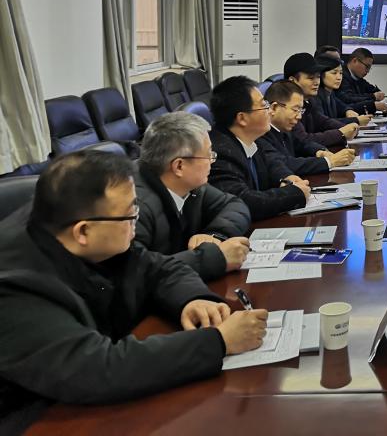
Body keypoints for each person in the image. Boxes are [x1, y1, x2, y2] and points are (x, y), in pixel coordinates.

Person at [0, 152, 267, 429]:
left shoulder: (80, 227)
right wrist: (218, 342)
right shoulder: (14, 287)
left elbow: (158, 268)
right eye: (130, 216)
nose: (135, 225)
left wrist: (193, 299)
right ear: (83, 232)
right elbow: (95, 369)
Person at [135, 112, 252, 281]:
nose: (212, 160)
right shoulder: (134, 207)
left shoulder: (190, 186)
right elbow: (137, 274)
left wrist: (214, 236)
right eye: (208, 154)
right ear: (179, 166)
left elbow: (234, 205)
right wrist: (214, 258)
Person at [208, 76, 310, 220]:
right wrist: (294, 194)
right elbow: (243, 201)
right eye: (264, 105)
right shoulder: (220, 153)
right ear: (242, 118)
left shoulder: (251, 139)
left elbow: (272, 163)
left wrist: (286, 179)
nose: (270, 111)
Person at [259, 80, 355, 174]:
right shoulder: (260, 134)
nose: (299, 116)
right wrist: (330, 161)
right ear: (274, 107)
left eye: (301, 110)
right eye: (295, 110)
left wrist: (320, 152)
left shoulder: (283, 128)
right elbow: (284, 164)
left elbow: (302, 144)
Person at [284, 52, 359, 149]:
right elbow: (303, 140)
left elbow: (324, 122)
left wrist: (349, 128)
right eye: (311, 78)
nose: (317, 82)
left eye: (318, 77)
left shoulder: (309, 101)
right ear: (292, 81)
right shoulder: (286, 106)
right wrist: (341, 133)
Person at [315, 54, 372, 126]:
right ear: (320, 74)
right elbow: (324, 122)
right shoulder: (315, 96)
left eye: (341, 73)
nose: (339, 78)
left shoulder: (330, 93)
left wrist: (348, 110)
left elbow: (340, 105)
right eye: (334, 73)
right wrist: (356, 120)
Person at [339, 47, 387, 115]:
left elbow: (373, 90)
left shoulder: (358, 78)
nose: (367, 71)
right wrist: (373, 97)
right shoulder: (341, 76)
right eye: (367, 66)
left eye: (369, 68)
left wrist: (378, 94)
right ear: (355, 61)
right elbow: (349, 98)